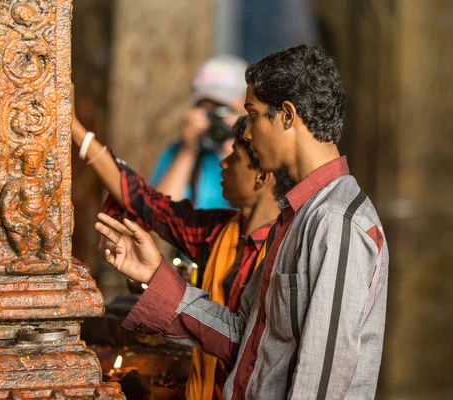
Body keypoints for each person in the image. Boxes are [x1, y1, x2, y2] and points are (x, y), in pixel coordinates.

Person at [94, 45, 389, 399]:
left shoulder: (335, 222)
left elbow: (321, 385)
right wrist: (156, 276)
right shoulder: (296, 215)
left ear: (287, 116)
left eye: (252, 115)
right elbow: (246, 338)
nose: (246, 134)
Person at [72, 102, 292, 397]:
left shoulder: (287, 249)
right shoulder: (217, 230)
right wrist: (74, 128)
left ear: (261, 177)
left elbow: (249, 346)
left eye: (234, 158)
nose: (222, 165)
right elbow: (143, 200)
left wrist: (158, 277)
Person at [151, 55, 248, 210]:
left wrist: (238, 153)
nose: (216, 120)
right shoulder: (176, 152)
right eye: (206, 111)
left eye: (224, 110)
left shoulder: (263, 155)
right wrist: (187, 151)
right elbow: (161, 215)